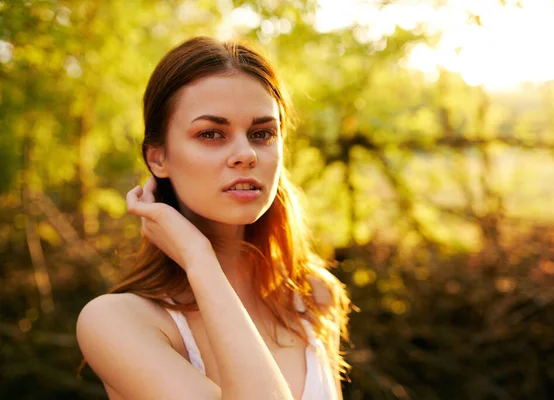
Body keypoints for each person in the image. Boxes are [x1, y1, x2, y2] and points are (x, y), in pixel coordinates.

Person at [76, 36, 351, 400]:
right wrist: (198, 259)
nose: (245, 154)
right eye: (211, 134)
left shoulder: (313, 296)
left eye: (262, 134)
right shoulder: (118, 323)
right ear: (158, 158)